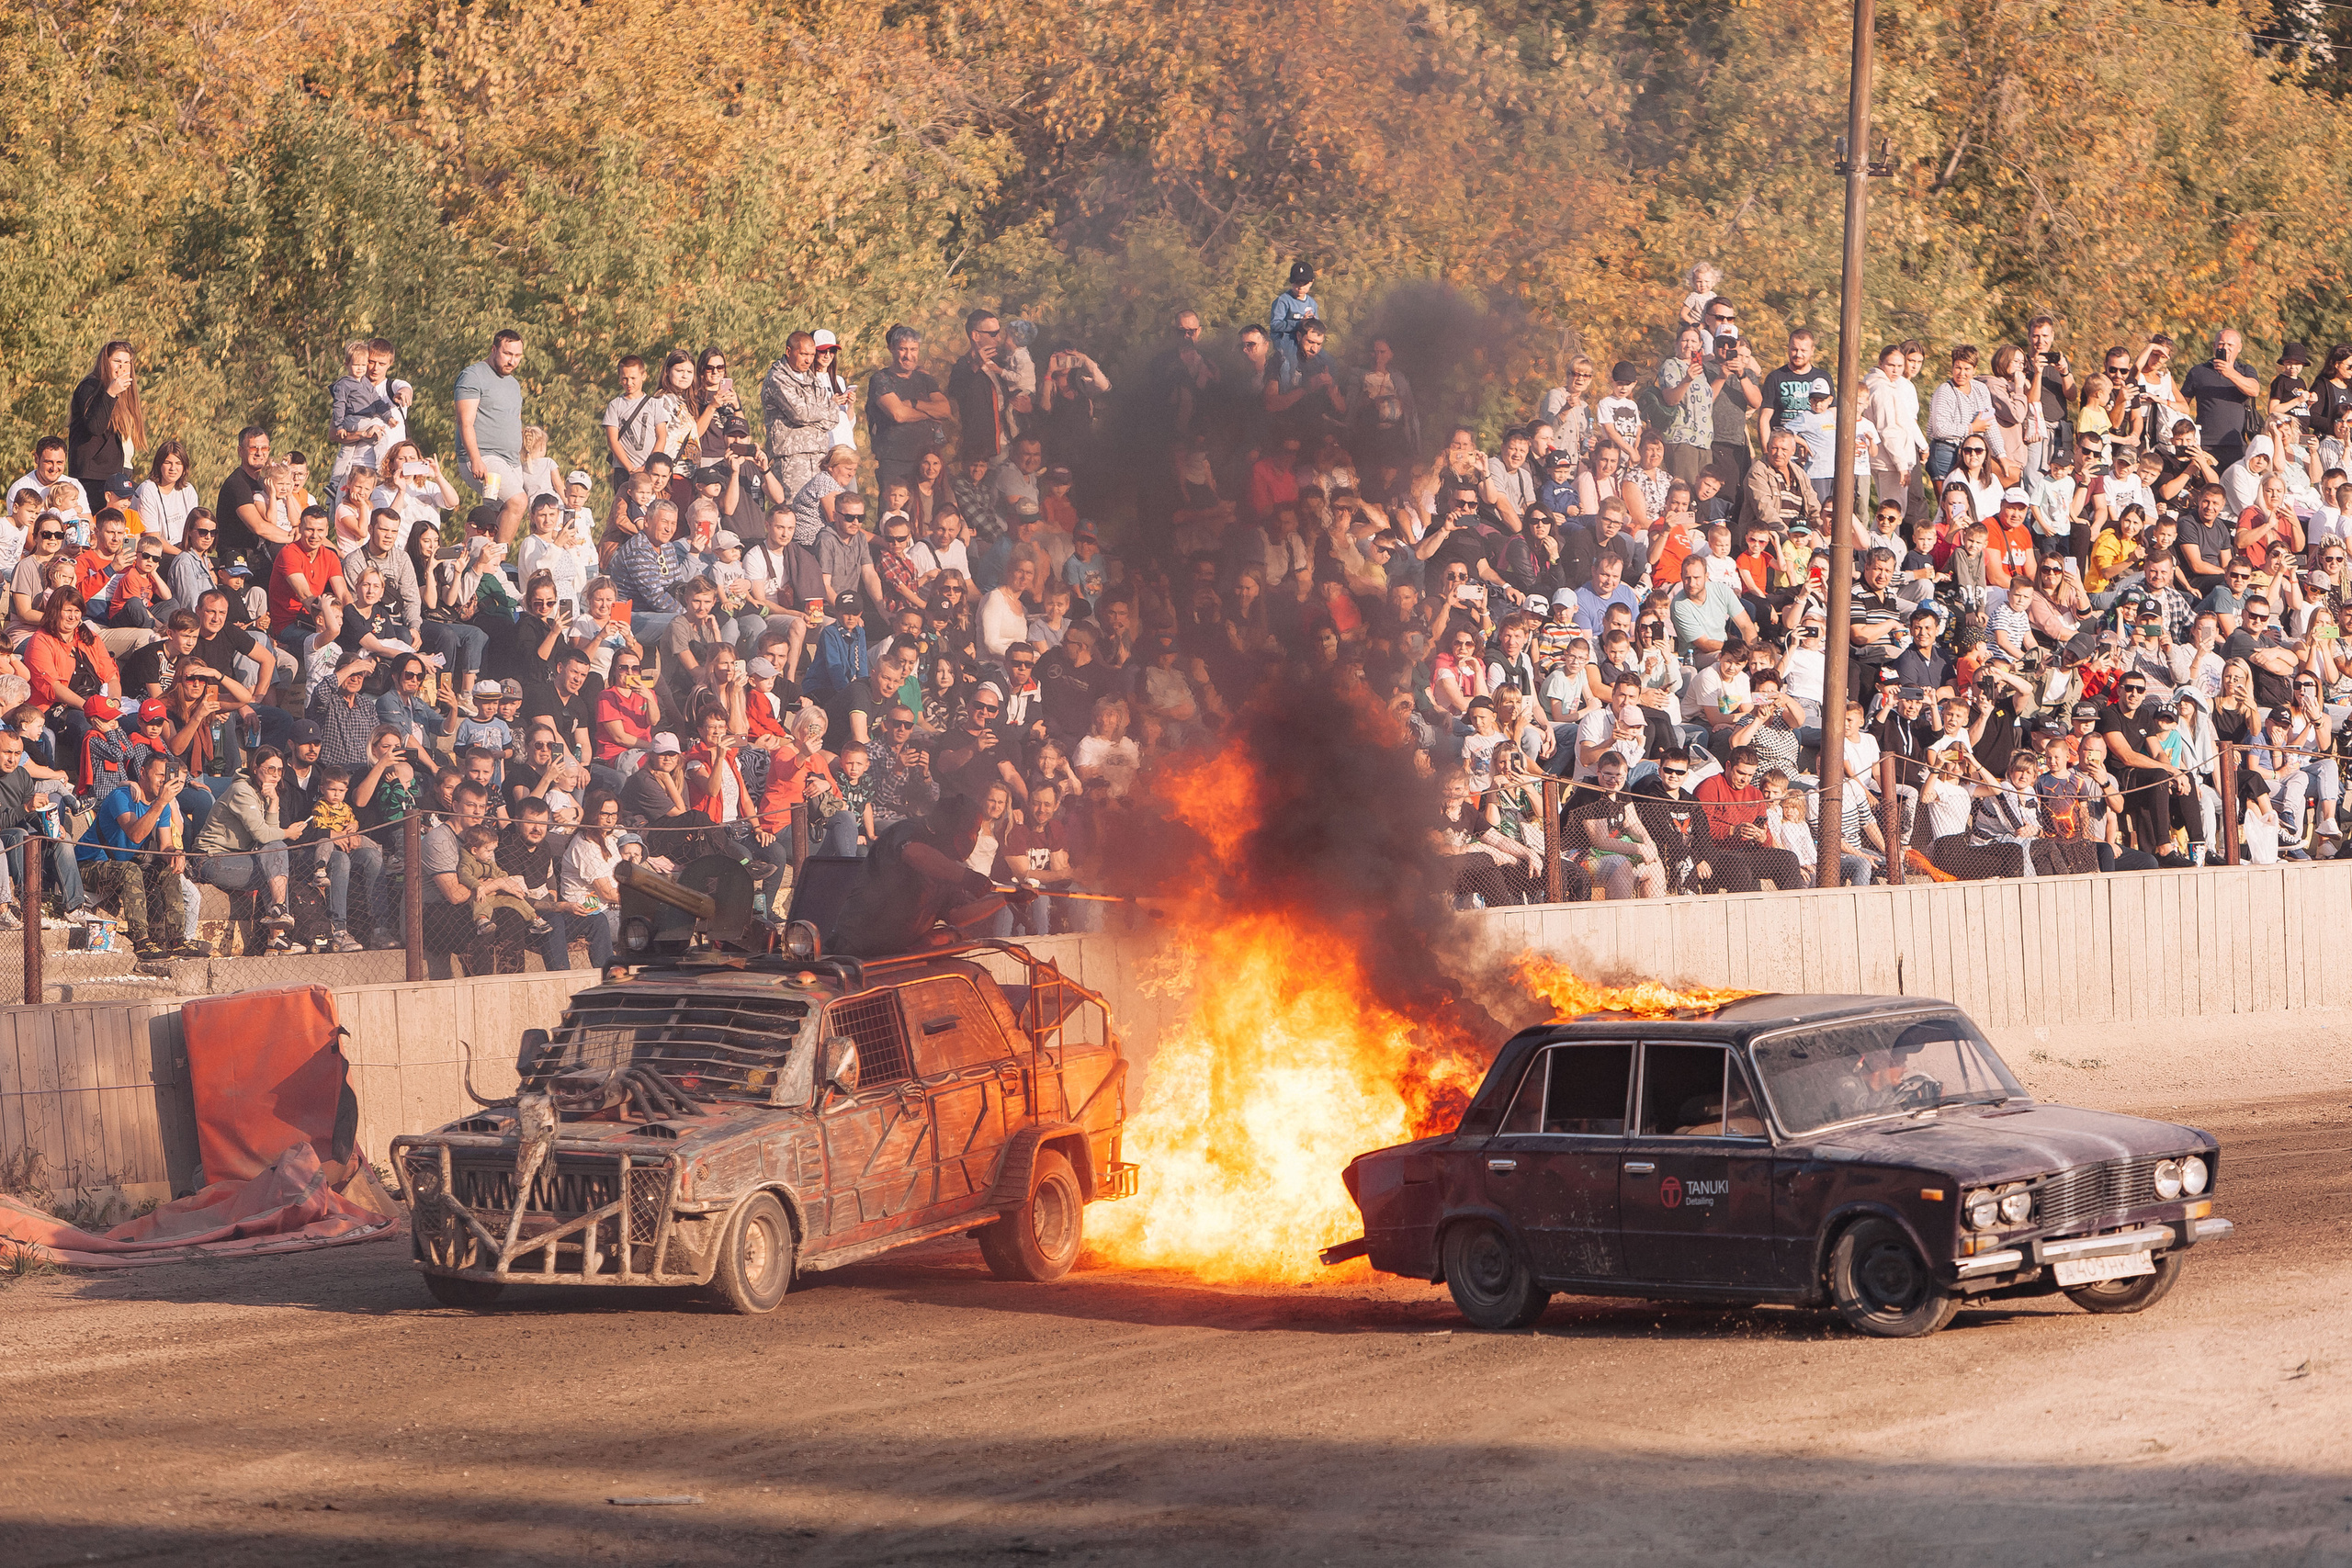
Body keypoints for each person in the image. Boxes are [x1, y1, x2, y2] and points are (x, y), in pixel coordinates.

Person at [826, 792, 1006, 956]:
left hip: (899, 954)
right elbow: (913, 852)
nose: (974, 838)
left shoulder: (950, 865)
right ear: (957, 827)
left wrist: (1005, 899)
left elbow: (956, 915)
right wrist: (966, 877)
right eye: (975, 831)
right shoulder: (908, 829)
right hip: (856, 948)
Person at [189, 746, 305, 949]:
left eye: (280, 770)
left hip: (239, 859)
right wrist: (289, 833)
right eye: (270, 769)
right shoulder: (241, 790)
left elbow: (270, 838)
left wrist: (274, 801)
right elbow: (262, 835)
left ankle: (278, 920)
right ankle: (277, 925)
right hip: (210, 860)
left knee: (276, 852)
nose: (276, 776)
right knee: (274, 869)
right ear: (255, 768)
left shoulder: (265, 792)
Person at [454, 328, 528, 540]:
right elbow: (465, 422)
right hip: (483, 456)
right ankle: (498, 560)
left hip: (511, 461)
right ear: (494, 349)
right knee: (518, 501)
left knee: (496, 516)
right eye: (507, 354)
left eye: (517, 356)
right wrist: (476, 459)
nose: (512, 361)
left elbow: (515, 421)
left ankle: (483, 563)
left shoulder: (514, 384)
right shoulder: (473, 375)